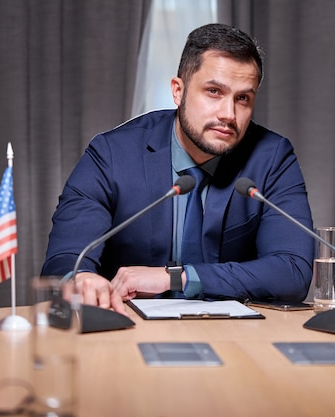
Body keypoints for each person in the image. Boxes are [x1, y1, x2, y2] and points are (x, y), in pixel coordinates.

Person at [41, 23, 314, 315]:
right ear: (178, 90)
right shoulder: (112, 154)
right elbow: (66, 258)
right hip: (128, 331)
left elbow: (293, 271)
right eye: (213, 91)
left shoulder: (272, 156)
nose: (228, 114)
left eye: (243, 98)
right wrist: (81, 278)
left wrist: (177, 277)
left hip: (234, 334)